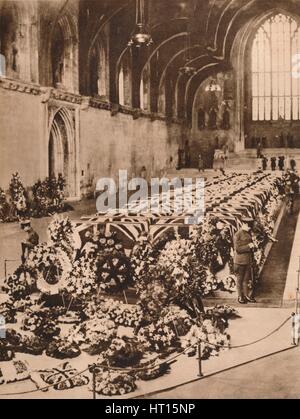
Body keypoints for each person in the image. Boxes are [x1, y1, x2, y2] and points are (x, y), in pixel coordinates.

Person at [233, 217, 256, 304]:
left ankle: (246, 295)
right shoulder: (237, 234)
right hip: (240, 261)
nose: (250, 228)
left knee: (246, 280)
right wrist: (249, 246)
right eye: (249, 226)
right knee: (240, 280)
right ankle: (240, 297)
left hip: (247, 260)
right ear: (245, 224)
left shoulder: (248, 232)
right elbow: (238, 249)